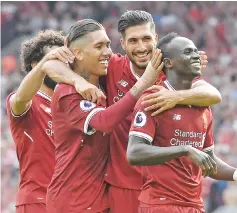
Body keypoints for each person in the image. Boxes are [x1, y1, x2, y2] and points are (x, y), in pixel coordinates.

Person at [42, 10, 222, 213]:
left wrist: (175, 97)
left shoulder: (171, 71)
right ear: (123, 44)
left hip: (164, 193)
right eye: (133, 41)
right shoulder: (110, 67)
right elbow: (50, 65)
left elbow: (212, 94)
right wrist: (77, 80)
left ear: (155, 39)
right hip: (123, 187)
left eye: (146, 39)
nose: (141, 47)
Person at [46, 19, 164, 213]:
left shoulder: (102, 80)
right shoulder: (68, 93)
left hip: (100, 197)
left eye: (108, 44)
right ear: (78, 53)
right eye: (99, 46)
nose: (108, 52)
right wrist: (144, 83)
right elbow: (105, 122)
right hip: (71, 200)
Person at [127, 32, 237, 213]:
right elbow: (134, 152)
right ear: (169, 63)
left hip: (194, 204)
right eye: (187, 52)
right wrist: (185, 149)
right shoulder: (154, 99)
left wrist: (234, 174)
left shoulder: (203, 106)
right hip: (161, 203)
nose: (196, 55)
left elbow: (208, 161)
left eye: (195, 50)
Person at [6, 29, 104, 213]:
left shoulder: (75, 105)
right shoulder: (28, 102)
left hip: (73, 203)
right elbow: (19, 99)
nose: (63, 66)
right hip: (38, 201)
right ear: (36, 64)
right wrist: (46, 62)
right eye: (56, 60)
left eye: (66, 61)